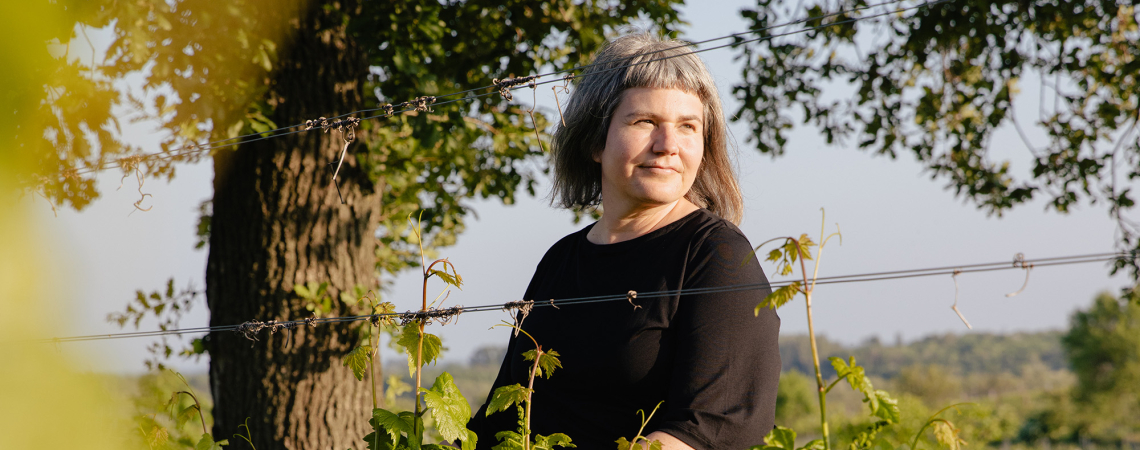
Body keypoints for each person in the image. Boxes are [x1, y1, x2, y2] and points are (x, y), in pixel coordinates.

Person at [466, 32, 781, 450]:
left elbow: (711, 427)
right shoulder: (561, 260)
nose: (668, 146)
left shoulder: (714, 254)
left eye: (688, 127)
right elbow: (502, 415)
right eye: (645, 122)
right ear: (595, 140)